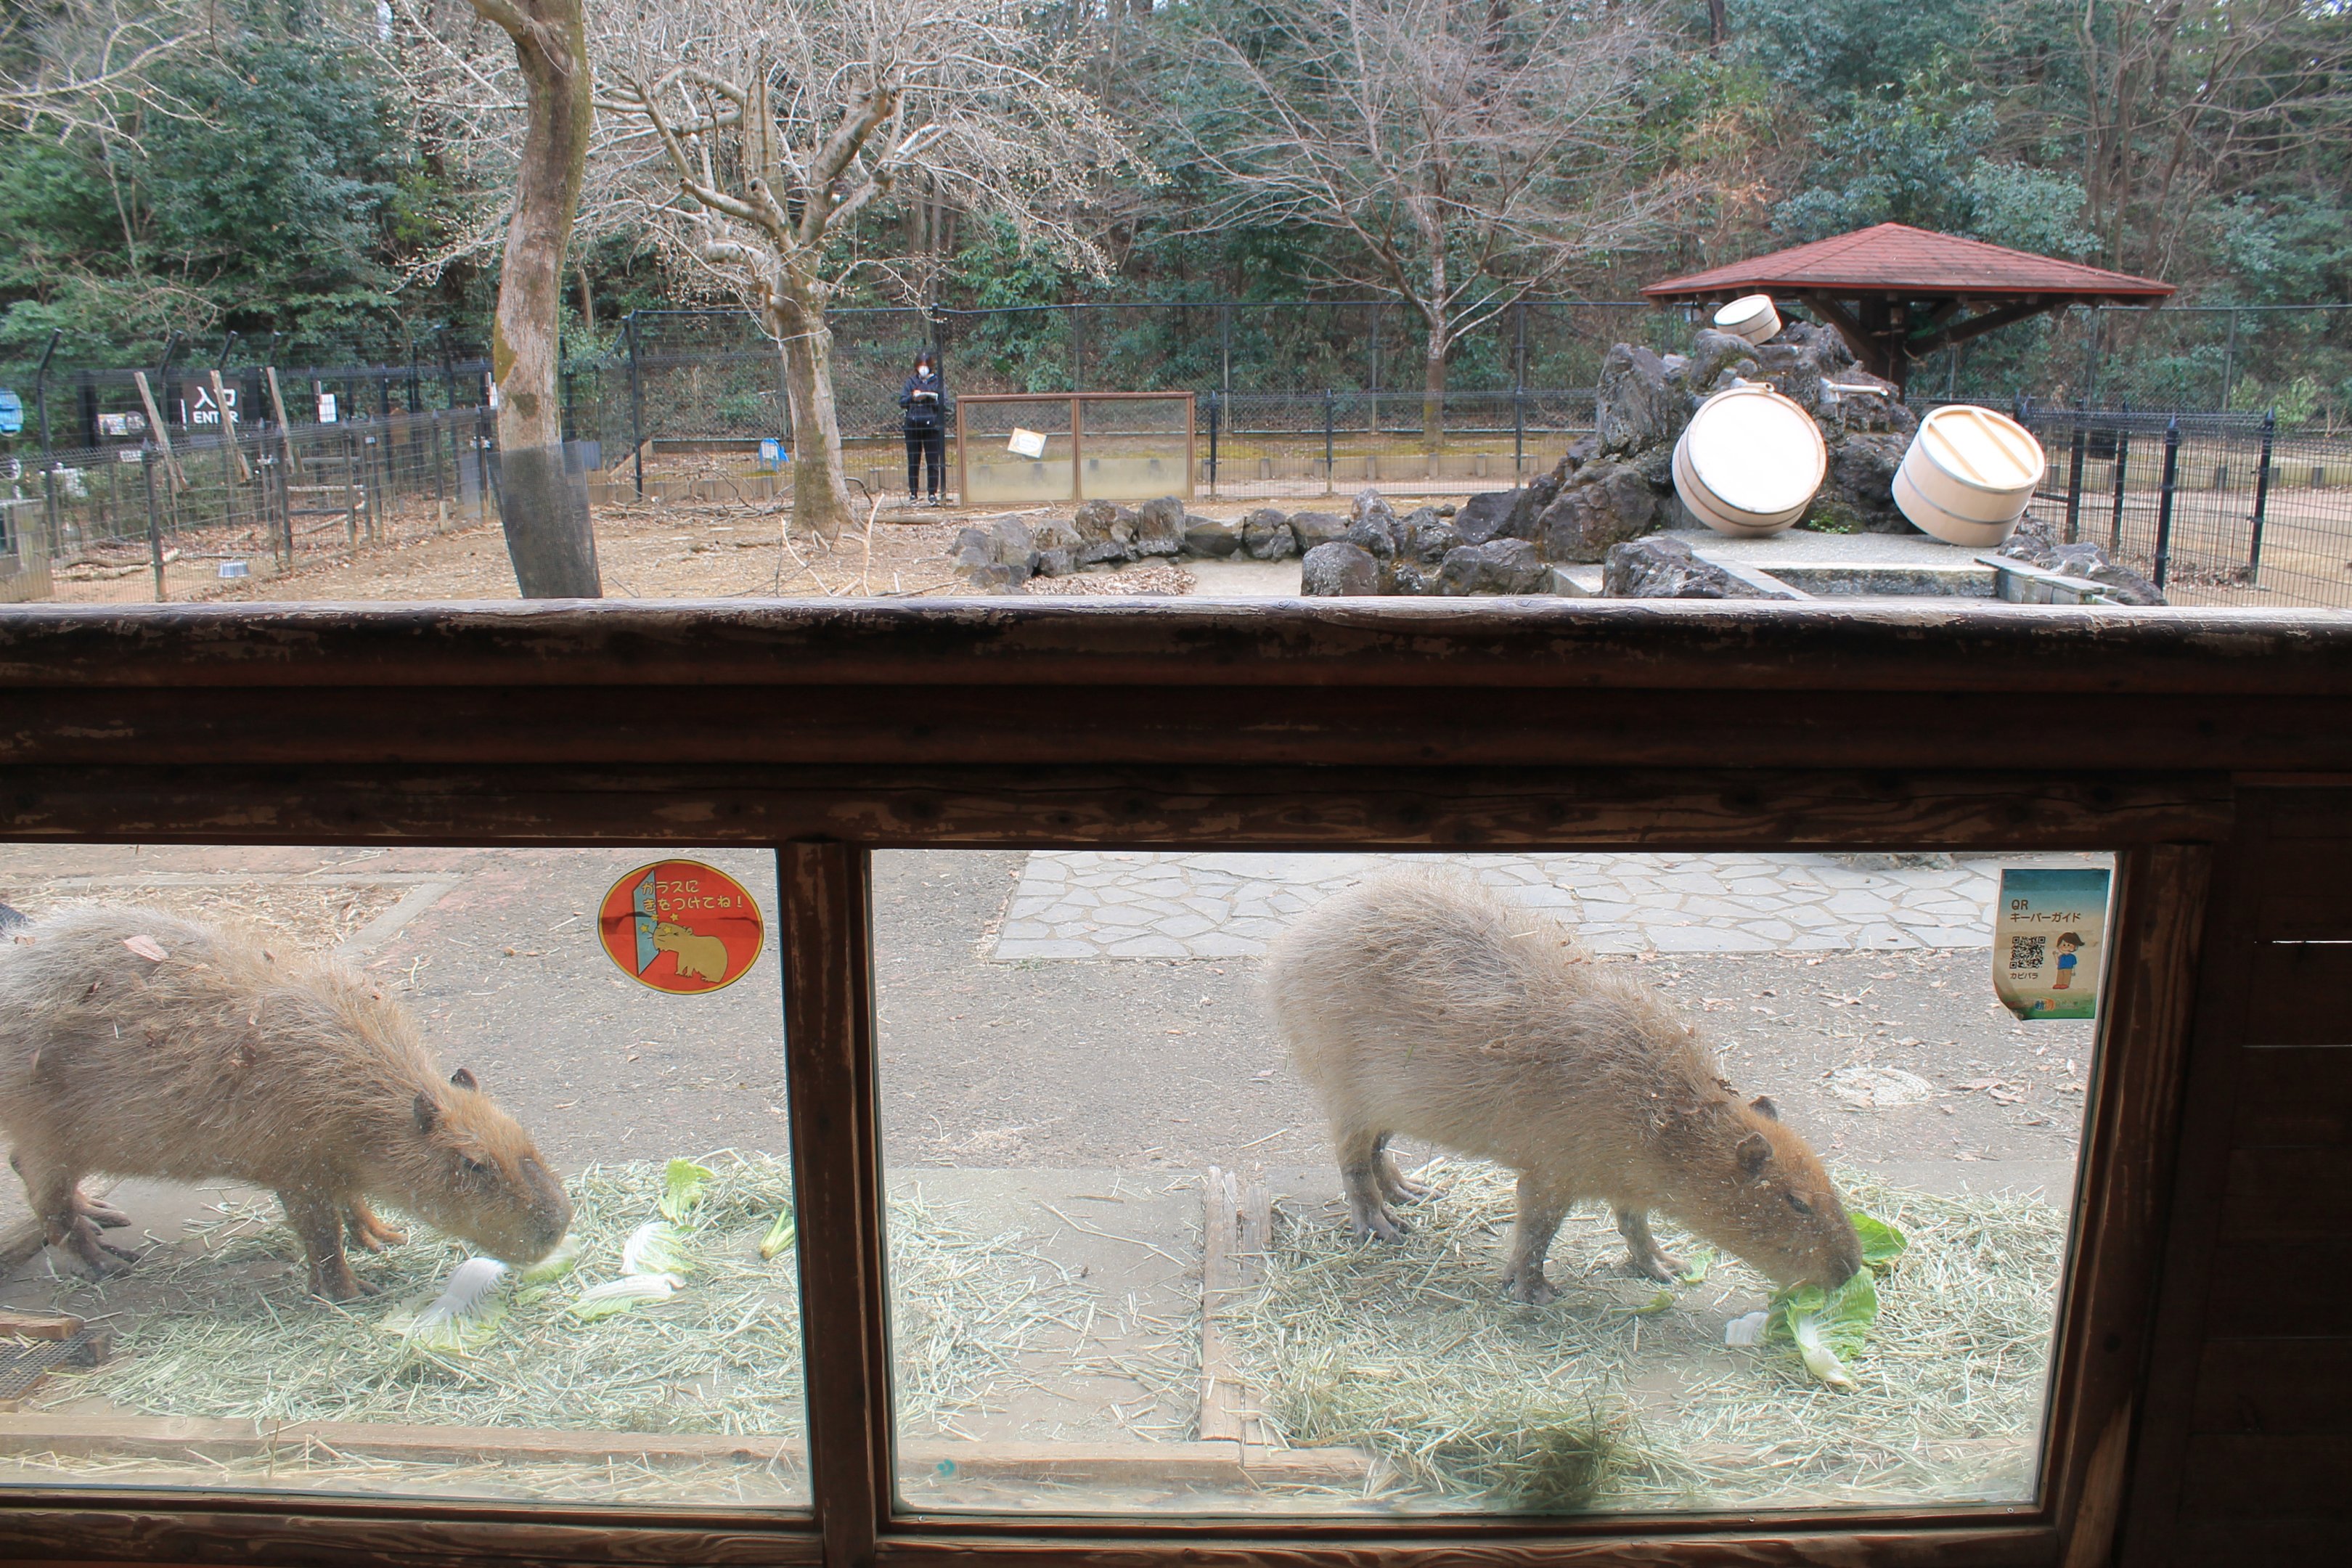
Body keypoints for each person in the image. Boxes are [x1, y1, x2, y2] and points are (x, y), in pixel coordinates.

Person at [898, 352, 947, 505]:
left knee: (932, 461)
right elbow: (902, 402)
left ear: (931, 366)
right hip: (912, 427)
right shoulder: (911, 382)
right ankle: (913, 493)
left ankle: (932, 493)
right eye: (920, 366)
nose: (923, 369)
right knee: (913, 461)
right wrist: (913, 397)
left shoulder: (938, 382)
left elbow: (945, 403)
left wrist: (931, 398)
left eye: (926, 366)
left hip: (932, 427)